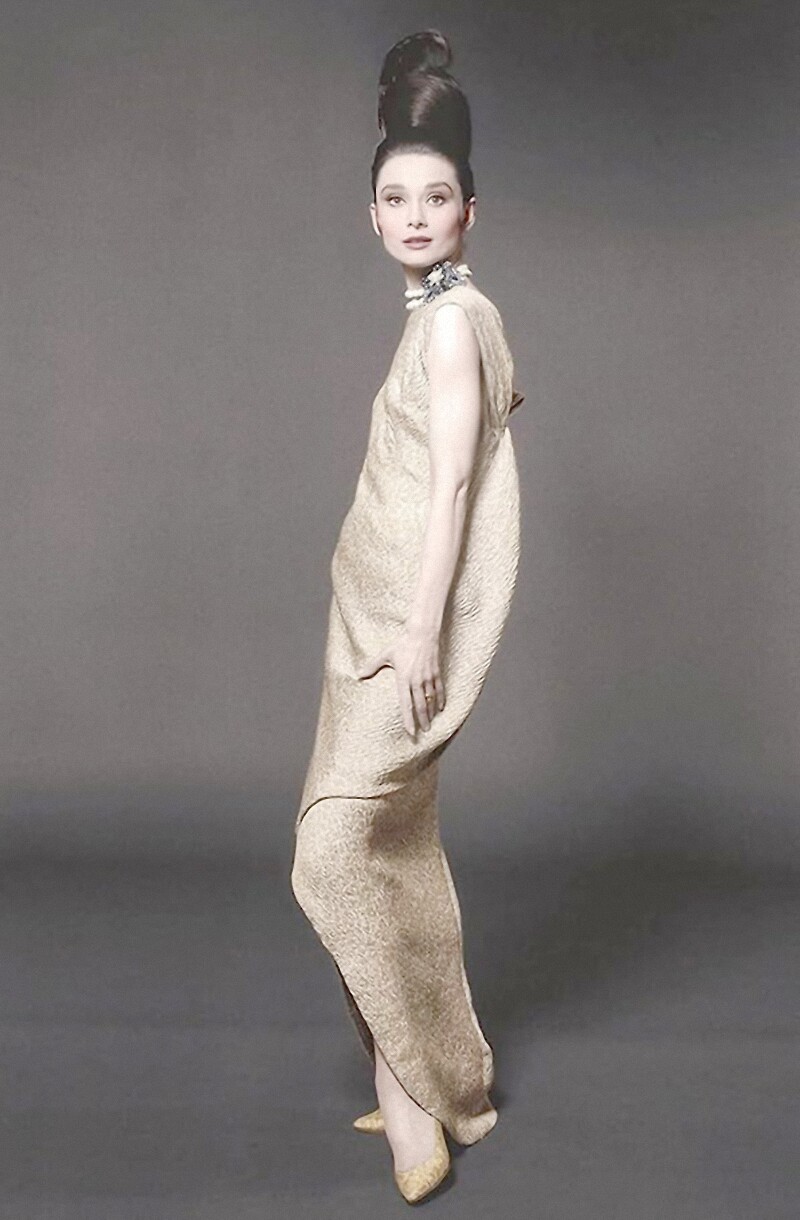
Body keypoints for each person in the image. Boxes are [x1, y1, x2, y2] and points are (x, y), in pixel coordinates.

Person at [290, 28, 523, 1205]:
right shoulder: (446, 313)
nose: (416, 214)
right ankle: (433, 1071)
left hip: (400, 634)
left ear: (469, 211)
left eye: (437, 196)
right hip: (367, 623)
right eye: (396, 196)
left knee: (333, 852)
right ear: (370, 215)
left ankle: (415, 1092)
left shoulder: (445, 322)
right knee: (388, 847)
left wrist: (424, 625)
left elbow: (450, 487)